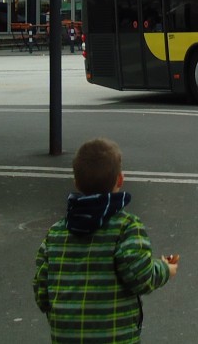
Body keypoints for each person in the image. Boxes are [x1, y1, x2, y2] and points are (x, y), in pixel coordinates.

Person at [33, 138, 178, 343]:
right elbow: (140, 277)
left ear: (76, 182)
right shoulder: (126, 227)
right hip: (116, 336)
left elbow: (42, 289)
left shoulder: (56, 232)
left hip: (66, 336)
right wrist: (164, 269)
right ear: (120, 180)